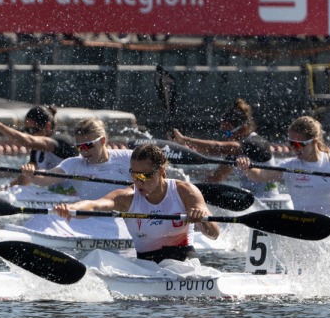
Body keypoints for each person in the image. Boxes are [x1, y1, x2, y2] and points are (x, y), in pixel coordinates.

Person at [55, 143, 219, 263]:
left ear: (161, 171)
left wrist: (203, 221)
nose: (138, 182)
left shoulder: (185, 191)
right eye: (134, 175)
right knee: (97, 259)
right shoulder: (128, 196)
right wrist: (71, 208)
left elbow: (214, 234)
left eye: (144, 176)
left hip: (185, 263)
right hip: (146, 266)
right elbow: (95, 205)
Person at [237, 116, 330, 224]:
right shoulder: (289, 165)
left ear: (314, 141)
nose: (294, 148)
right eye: (291, 143)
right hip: (302, 227)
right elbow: (261, 176)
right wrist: (246, 169)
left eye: (299, 144)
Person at [171, 98, 272, 190]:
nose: (226, 137)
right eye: (224, 132)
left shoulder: (257, 143)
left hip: (270, 202)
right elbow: (215, 178)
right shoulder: (235, 154)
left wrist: (184, 140)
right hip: (251, 200)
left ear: (243, 128)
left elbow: (217, 147)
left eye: (228, 132)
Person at [19, 117, 131, 199]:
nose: (84, 151)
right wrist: (32, 174)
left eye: (87, 145)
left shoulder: (127, 158)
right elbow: (47, 177)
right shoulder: (74, 164)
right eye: (79, 147)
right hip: (91, 220)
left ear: (102, 141)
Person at [0, 105, 77, 185]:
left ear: (47, 126)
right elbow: (24, 180)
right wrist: (1, 191)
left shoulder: (61, 141)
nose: (30, 134)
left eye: (33, 130)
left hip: (73, 193)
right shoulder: (36, 150)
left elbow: (28, 141)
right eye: (27, 131)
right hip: (54, 193)